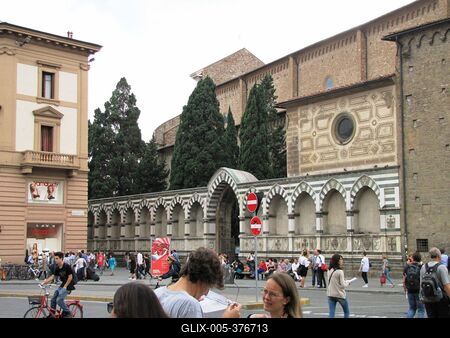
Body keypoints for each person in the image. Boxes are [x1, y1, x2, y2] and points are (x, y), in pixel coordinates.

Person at [154, 247, 241, 318]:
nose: (206, 293)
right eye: (208, 287)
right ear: (203, 280)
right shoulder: (189, 305)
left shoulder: (157, 293)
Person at [41, 251, 75, 318]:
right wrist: (44, 282)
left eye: (57, 258)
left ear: (61, 258)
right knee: (53, 299)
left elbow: (70, 277)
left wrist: (65, 287)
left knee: (59, 300)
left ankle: (68, 312)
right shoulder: (57, 267)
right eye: (55, 258)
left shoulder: (66, 266)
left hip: (69, 285)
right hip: (63, 284)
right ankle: (52, 314)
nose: (55, 260)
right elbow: (53, 276)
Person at [420, 247, 450, 318]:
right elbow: (446, 286)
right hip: (441, 300)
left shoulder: (424, 267)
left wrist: (421, 297)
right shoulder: (441, 267)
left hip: (428, 299)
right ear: (439, 256)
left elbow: (421, 284)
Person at [327, 254, 354, 318]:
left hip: (330, 294)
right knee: (346, 312)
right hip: (340, 295)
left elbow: (334, 281)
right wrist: (348, 283)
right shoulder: (340, 271)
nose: (342, 261)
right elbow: (343, 285)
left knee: (331, 312)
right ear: (337, 261)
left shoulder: (329, 270)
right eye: (340, 259)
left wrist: (344, 281)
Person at [403, 251, 424, 318]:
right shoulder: (422, 267)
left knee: (412, 308)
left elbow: (404, 280)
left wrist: (405, 289)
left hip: (410, 290)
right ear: (420, 259)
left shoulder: (407, 267)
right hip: (419, 290)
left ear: (413, 258)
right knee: (421, 310)